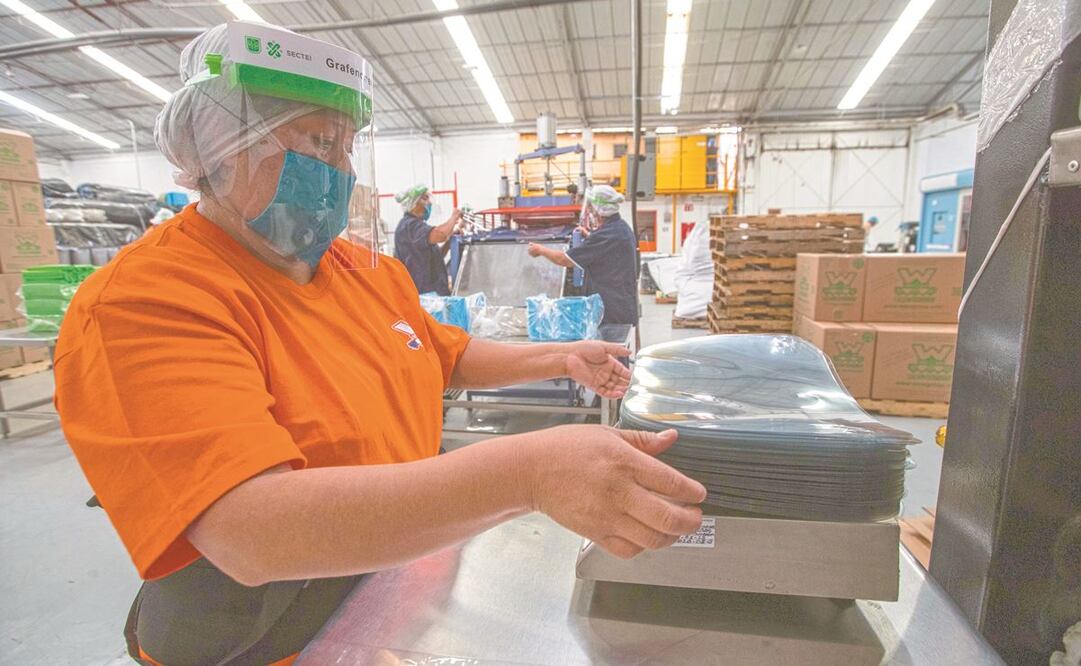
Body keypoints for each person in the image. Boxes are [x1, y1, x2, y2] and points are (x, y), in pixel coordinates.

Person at [53, 22, 705, 665]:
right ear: (222, 148)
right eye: (316, 141)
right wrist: (527, 472)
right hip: (256, 631)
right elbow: (249, 533)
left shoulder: (363, 271)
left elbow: (438, 355)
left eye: (346, 145)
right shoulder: (147, 299)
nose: (339, 169)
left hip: (386, 575)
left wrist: (557, 357)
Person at [527, 184, 638, 325]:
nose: (590, 211)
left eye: (591, 207)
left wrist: (540, 250)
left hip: (612, 310)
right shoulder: (619, 228)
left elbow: (565, 260)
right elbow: (603, 247)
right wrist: (590, 236)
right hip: (619, 304)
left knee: (609, 346)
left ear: (599, 209)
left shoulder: (607, 235)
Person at [394, 184, 460, 295]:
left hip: (432, 293)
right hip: (424, 295)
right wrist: (454, 217)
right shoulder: (410, 226)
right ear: (413, 204)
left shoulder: (417, 226)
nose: (429, 202)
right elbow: (441, 234)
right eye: (424, 198)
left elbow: (433, 256)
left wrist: (449, 241)